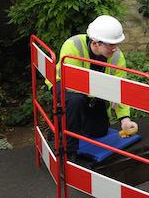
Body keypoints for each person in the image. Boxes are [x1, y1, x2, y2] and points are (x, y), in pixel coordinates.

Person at [56, 15, 138, 158]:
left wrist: (124, 119)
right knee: (76, 102)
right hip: (65, 85)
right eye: (110, 44)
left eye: (116, 44)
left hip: (94, 91)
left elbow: (121, 87)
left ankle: (76, 122)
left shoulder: (117, 56)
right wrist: (108, 92)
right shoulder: (73, 46)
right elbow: (75, 84)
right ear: (95, 43)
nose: (115, 49)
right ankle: (68, 151)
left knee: (98, 131)